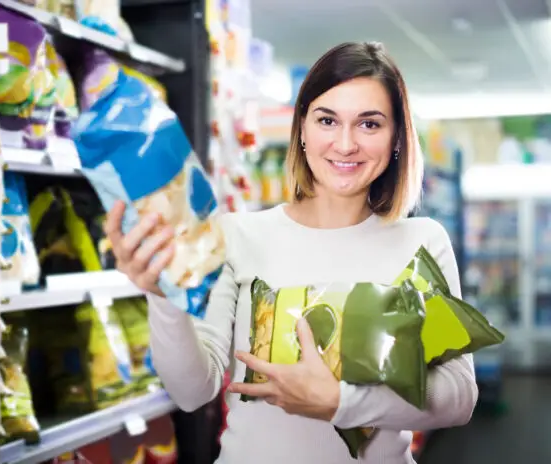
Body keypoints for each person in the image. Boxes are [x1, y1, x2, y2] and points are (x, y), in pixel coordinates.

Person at [104, 42, 478, 463]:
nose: (345, 143)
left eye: (369, 124)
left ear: (396, 138)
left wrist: (340, 400)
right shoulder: (237, 234)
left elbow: (459, 397)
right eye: (327, 120)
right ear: (302, 129)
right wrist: (163, 296)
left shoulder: (421, 240)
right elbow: (193, 391)